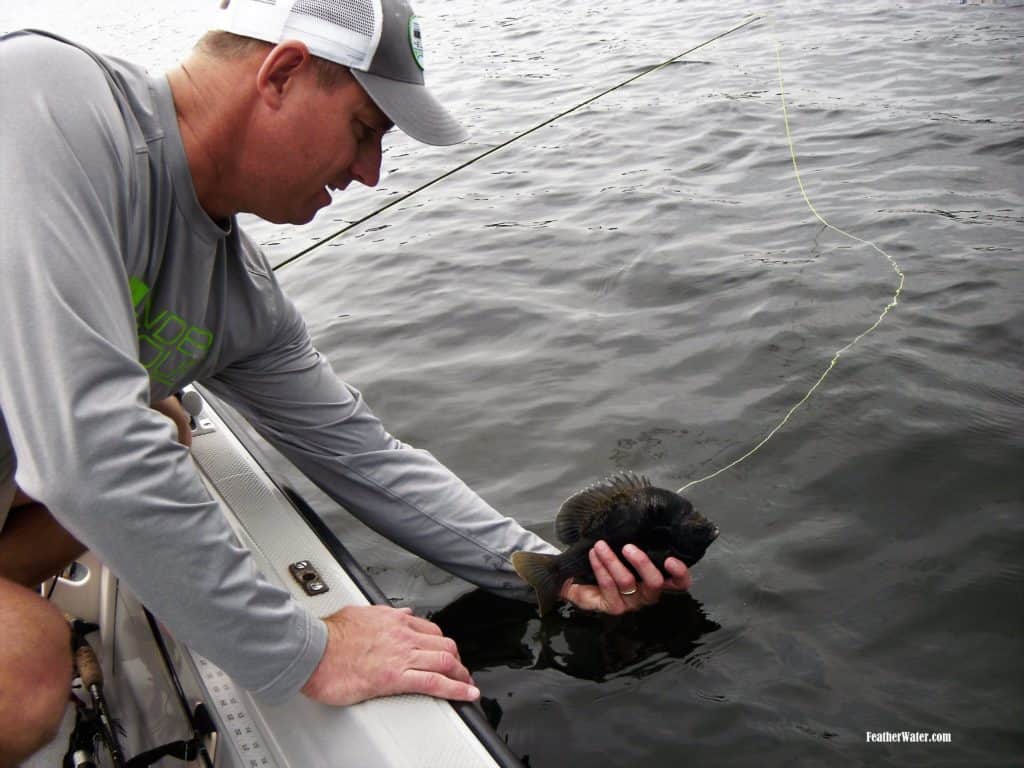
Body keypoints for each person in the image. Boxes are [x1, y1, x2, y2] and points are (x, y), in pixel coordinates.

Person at [0, 0, 693, 763]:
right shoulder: (42, 94)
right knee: (24, 667)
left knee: (166, 421)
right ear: (283, 73)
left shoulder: (239, 296)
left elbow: (366, 457)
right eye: (365, 131)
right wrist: (303, 649)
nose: (370, 174)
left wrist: (550, 573)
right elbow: (85, 447)